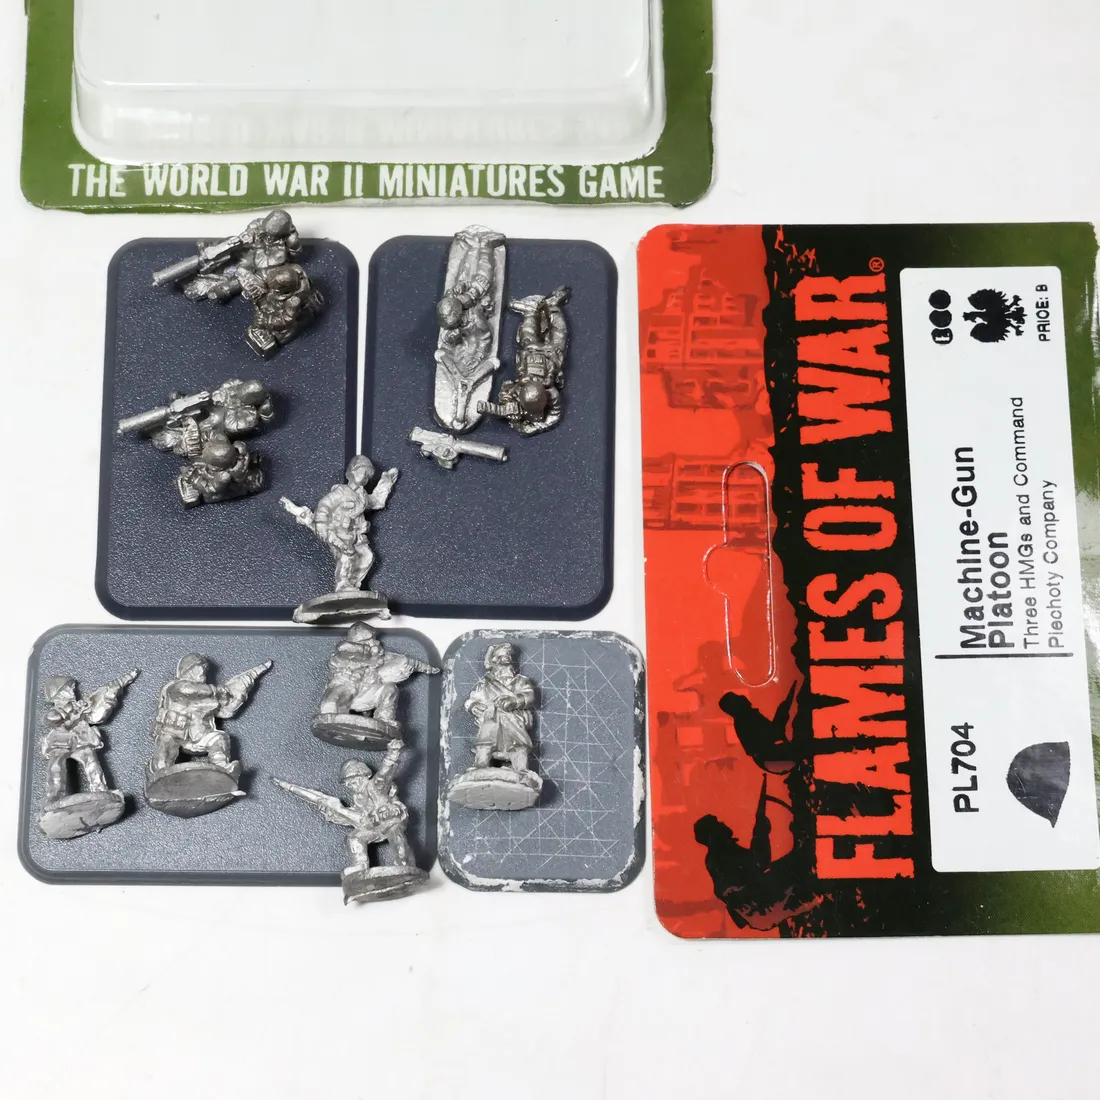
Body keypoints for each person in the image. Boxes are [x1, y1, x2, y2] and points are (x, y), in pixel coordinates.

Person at [465, 643, 537, 774]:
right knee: (485, 742)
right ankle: (481, 766)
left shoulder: (521, 681)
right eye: (502, 656)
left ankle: (521, 769)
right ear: (494, 661)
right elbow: (474, 698)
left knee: (518, 744)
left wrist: (515, 700)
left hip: (514, 719)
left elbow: (529, 696)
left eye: (508, 656)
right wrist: (473, 706)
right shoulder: (486, 683)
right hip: (491, 717)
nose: (506, 659)